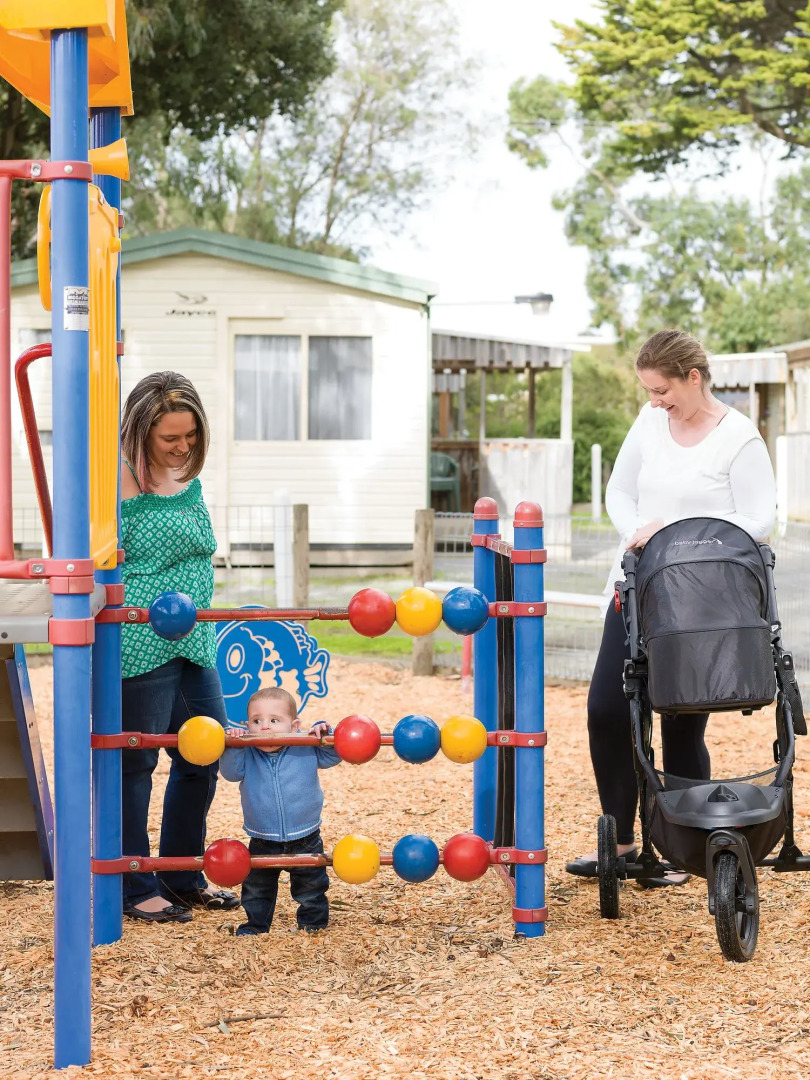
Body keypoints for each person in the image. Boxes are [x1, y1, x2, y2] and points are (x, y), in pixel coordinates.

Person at [566, 329, 777, 883]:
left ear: (693, 377)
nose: (655, 402)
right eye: (648, 392)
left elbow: (760, 521)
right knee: (608, 712)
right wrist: (639, 532)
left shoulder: (738, 438)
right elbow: (618, 490)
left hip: (701, 602)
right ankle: (625, 843)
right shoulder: (649, 422)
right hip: (636, 585)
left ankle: (683, 850)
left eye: (662, 390)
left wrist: (680, 534)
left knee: (682, 721)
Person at [120, 371, 239, 923]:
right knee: (135, 763)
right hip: (142, 639)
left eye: (189, 435)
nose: (182, 446)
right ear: (141, 432)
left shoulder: (184, 476)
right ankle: (131, 883)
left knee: (202, 754)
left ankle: (179, 874)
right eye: (170, 438)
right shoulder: (116, 483)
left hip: (194, 638)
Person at [220, 687, 341, 936]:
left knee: (311, 886)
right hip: (262, 837)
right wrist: (234, 745)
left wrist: (324, 733)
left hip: (305, 835)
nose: (264, 727)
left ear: (294, 725)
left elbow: (333, 756)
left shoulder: (304, 745)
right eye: (256, 721)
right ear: (247, 725)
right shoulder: (248, 752)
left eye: (274, 720)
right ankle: (256, 925)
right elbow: (231, 774)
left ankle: (313, 925)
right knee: (256, 888)